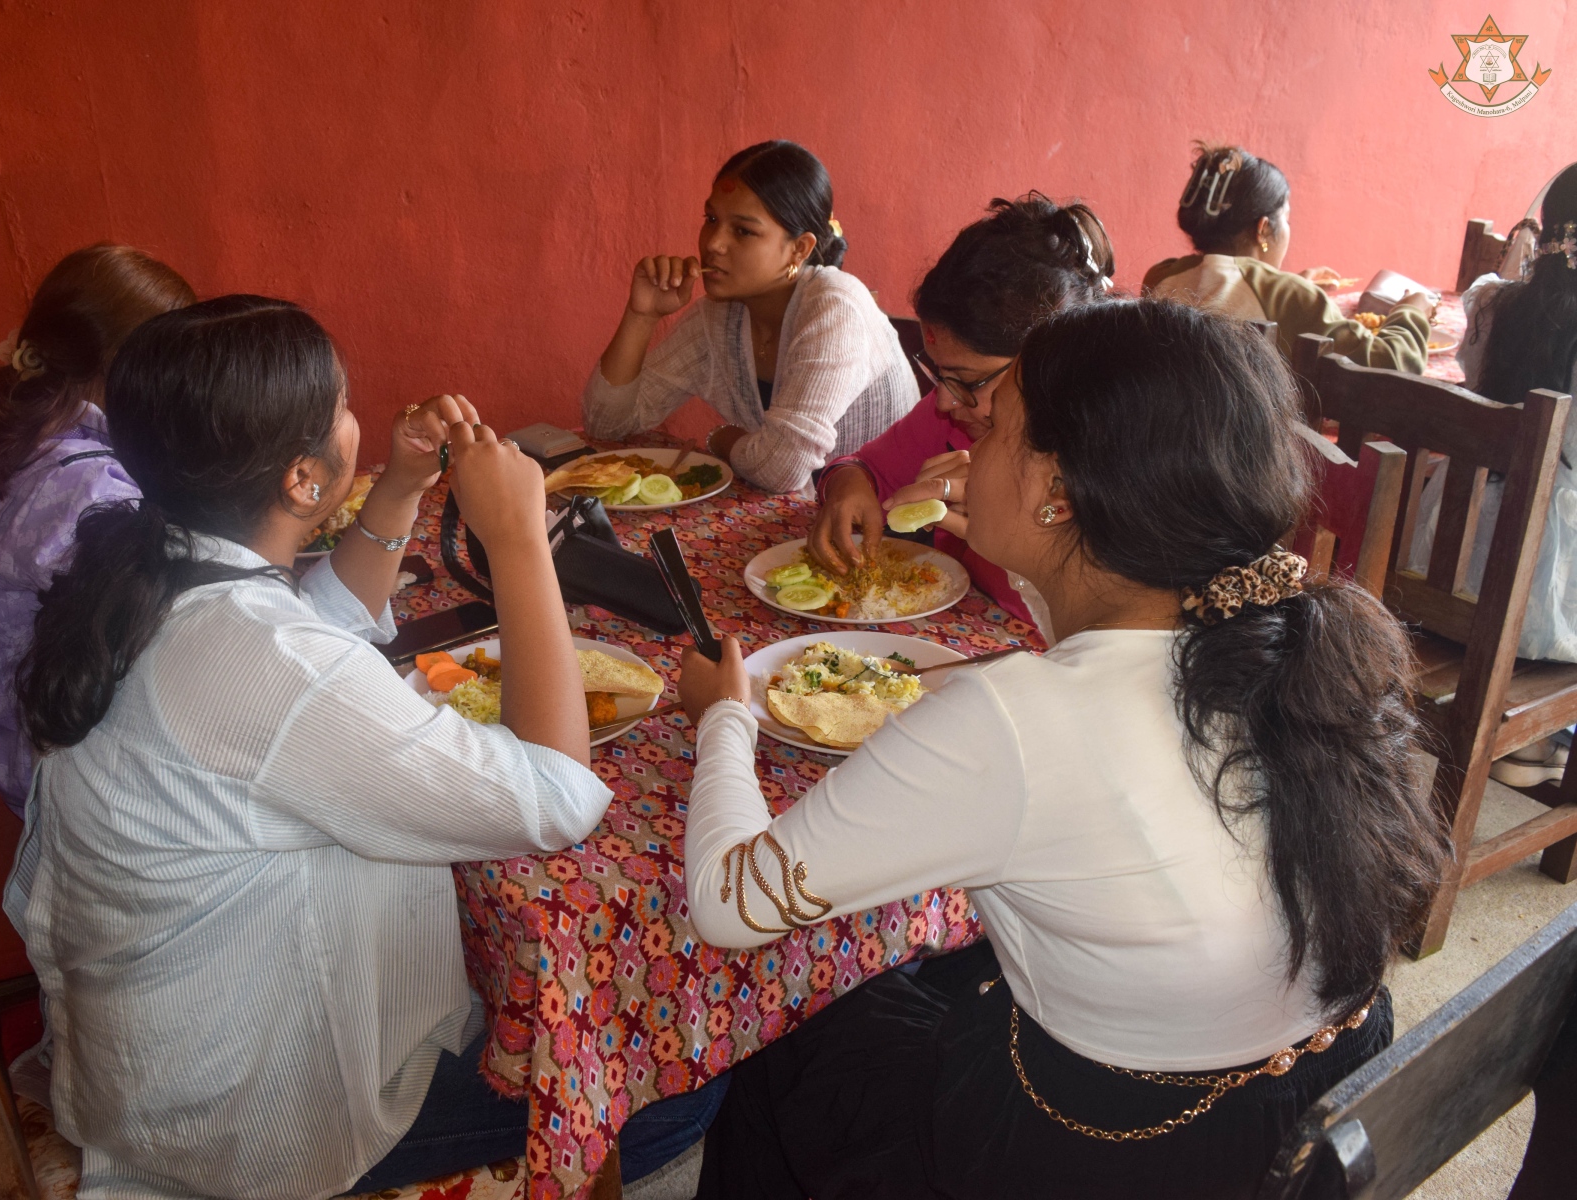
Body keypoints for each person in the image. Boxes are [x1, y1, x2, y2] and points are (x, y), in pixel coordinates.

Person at [673, 300, 1448, 1199]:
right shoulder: (1279, 641)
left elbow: (726, 903)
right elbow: (1106, 689)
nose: (966, 449)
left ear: (1061, 489)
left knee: (787, 1040)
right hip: (1312, 1110)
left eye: (992, 427)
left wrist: (725, 718)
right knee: (935, 975)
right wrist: (1041, 560)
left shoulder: (1010, 719)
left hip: (1106, 1155)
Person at [3, 296, 719, 1199]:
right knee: (677, 1090)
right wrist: (517, 543)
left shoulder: (161, 568)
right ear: (303, 481)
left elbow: (316, 630)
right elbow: (557, 797)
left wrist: (399, 487)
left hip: (157, 1069)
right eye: (342, 407)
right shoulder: (265, 662)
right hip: (250, 1122)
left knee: (514, 984)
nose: (358, 417)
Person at [0, 243, 196, 816]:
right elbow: (159, 631)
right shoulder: (91, 490)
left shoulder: (4, 426)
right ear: (125, 365)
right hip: (58, 764)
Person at [807, 194, 1114, 632]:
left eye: (969, 381)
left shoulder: (1119, 465)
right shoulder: (953, 416)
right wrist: (846, 485)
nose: (944, 402)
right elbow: (863, 466)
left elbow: (1110, 631)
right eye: (939, 374)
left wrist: (1012, 521)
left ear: (1051, 368)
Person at [581, 139, 916, 493]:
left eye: (743, 231)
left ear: (799, 249)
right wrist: (641, 316)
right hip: (798, 514)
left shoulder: (835, 307)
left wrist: (723, 438)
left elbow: (781, 469)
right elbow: (606, 426)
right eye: (711, 219)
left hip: (888, 518)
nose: (713, 243)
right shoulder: (720, 317)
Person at [1409, 163, 1577, 787]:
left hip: (1442, 573)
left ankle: (1533, 742)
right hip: (1534, 610)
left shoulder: (1494, 306)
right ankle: (1535, 739)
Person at [1143, 144, 1432, 372]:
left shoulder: (1161, 277)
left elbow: (1228, 291)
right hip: (1254, 431)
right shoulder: (1291, 296)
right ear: (1263, 228)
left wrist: (1288, 284)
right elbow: (1392, 362)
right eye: (1286, 219)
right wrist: (1411, 312)